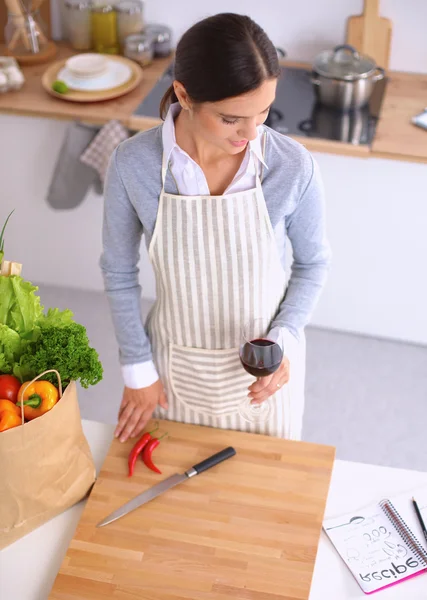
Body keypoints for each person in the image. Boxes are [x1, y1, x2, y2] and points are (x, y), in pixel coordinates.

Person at [101, 13, 331, 444]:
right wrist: (137, 368)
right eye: (231, 119)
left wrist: (284, 338)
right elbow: (117, 271)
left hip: (268, 376)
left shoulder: (291, 166)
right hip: (173, 375)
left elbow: (313, 263)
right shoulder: (134, 164)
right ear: (184, 95)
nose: (251, 131)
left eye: (262, 111)